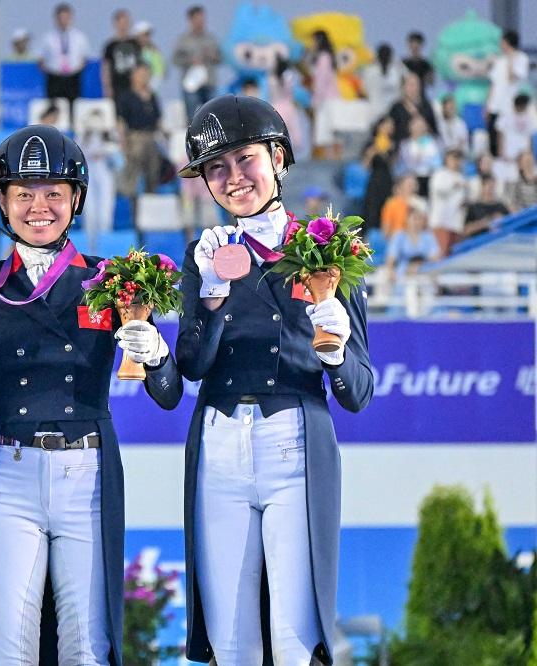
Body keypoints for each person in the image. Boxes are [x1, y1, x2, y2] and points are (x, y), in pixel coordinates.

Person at [0, 124, 182, 665]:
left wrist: (156, 350)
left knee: (86, 649)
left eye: (53, 193)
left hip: (86, 475)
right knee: (9, 651)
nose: (38, 206)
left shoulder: (110, 280)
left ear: (76, 200)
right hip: (10, 475)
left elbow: (168, 393)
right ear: (2, 200)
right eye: (23, 193)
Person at [175, 94, 373, 665]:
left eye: (246, 160)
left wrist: (334, 348)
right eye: (218, 168)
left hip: (293, 439)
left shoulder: (327, 250)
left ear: (279, 158)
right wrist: (212, 295)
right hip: (219, 443)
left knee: (294, 637)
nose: (234, 178)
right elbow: (192, 365)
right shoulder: (205, 252)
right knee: (232, 641)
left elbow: (358, 391)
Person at [116, 62, 163, 201]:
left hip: (151, 137)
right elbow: (121, 122)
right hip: (135, 137)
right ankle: (130, 207)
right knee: (133, 173)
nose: (144, 77)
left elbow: (158, 119)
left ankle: (151, 201)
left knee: (153, 171)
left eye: (146, 74)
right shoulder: (126, 97)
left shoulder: (152, 96)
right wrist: (123, 143)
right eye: (141, 74)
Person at [79, 109, 123, 253]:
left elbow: (119, 161)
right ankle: (89, 248)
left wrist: (107, 150)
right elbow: (78, 157)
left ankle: (105, 247)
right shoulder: (82, 137)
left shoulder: (110, 135)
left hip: (105, 173)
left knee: (106, 209)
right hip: (88, 174)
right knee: (89, 210)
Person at [172, 5, 222, 119]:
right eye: (198, 18)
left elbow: (220, 58)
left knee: (213, 115)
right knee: (192, 118)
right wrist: (190, 60)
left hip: (209, 83)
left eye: (202, 18)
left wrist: (212, 56)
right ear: (190, 19)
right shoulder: (183, 40)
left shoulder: (211, 38)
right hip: (191, 86)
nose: (201, 21)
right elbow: (175, 59)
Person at [485, 30, 529, 158]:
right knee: (492, 137)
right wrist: (488, 105)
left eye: (503, 42)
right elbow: (493, 84)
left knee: (506, 136)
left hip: (509, 106)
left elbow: (512, 77)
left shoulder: (522, 58)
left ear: (508, 43)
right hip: (495, 105)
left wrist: (511, 59)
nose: (500, 45)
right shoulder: (499, 61)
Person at [38, 3, 91, 109]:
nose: (63, 21)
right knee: (54, 109)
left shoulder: (79, 37)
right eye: (61, 18)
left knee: (74, 107)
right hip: (54, 78)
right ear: (56, 19)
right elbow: (40, 59)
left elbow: (85, 58)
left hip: (73, 78)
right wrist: (51, 72)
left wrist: (76, 71)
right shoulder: (48, 38)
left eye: (66, 17)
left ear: (71, 18)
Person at [307, 30, 341, 160]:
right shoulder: (327, 56)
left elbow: (321, 81)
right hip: (330, 99)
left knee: (326, 134)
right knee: (329, 134)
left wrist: (315, 101)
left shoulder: (323, 57)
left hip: (325, 101)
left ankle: (329, 161)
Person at [427, 149, 467, 256]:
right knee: (441, 252)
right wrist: (454, 185)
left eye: (458, 159)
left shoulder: (461, 176)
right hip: (441, 220)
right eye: (453, 158)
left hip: (456, 222)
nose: (456, 161)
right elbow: (439, 190)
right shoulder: (440, 174)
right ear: (446, 159)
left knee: (454, 253)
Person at [100, 9, 140, 103]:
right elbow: (106, 67)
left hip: (134, 85)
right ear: (115, 24)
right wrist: (107, 87)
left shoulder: (135, 44)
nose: (123, 26)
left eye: (126, 22)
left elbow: (140, 64)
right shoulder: (110, 45)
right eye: (121, 23)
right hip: (117, 85)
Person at [362, 43, 404, 122]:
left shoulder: (397, 70)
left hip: (393, 114)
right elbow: (364, 90)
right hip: (374, 114)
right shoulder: (370, 71)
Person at [134, 21, 166, 91]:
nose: (147, 37)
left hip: (149, 89)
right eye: (144, 35)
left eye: (148, 35)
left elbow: (159, 73)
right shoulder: (132, 51)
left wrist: (149, 89)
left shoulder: (154, 52)